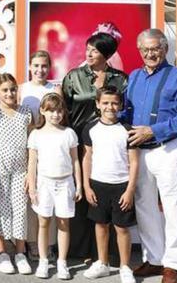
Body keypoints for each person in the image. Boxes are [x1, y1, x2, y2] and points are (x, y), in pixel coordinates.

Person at [122, 29, 177, 283]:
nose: (150, 53)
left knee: (173, 206)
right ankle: (155, 259)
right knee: (144, 206)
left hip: (167, 148)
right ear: (139, 51)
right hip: (139, 152)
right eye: (145, 49)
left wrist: (153, 130)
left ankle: (173, 265)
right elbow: (126, 112)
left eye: (155, 48)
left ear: (165, 49)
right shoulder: (133, 77)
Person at [61, 31, 127, 261]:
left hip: (110, 145)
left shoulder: (120, 79)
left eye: (95, 50)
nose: (89, 53)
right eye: (88, 48)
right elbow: (65, 110)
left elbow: (126, 111)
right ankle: (80, 250)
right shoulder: (73, 76)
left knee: (107, 196)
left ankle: (108, 254)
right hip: (79, 144)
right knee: (82, 195)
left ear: (106, 54)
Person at [81, 87, 139, 283]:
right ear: (97, 104)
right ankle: (102, 263)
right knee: (101, 225)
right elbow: (87, 158)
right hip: (98, 185)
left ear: (121, 105)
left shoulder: (128, 130)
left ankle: (124, 267)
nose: (110, 107)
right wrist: (87, 186)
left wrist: (130, 190)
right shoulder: (90, 128)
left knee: (122, 228)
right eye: (105, 103)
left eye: (114, 103)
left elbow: (135, 162)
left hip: (121, 186)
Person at [27, 93, 80, 280]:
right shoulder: (36, 134)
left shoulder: (69, 133)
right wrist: (32, 188)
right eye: (51, 111)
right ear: (43, 111)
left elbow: (75, 161)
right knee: (43, 222)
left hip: (65, 182)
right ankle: (43, 261)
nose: (55, 115)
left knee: (64, 223)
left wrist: (79, 185)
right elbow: (32, 163)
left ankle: (62, 262)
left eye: (59, 111)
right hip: (44, 183)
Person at [0, 74, 36, 275]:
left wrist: (30, 173)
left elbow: (31, 146)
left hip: (21, 169)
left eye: (13, 89)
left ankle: (19, 252)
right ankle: (2, 253)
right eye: (5, 90)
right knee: (0, 208)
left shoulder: (26, 113)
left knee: (20, 209)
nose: (9, 93)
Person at [19, 50, 60, 257]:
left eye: (44, 66)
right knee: (30, 196)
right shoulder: (22, 90)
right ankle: (31, 241)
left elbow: (60, 119)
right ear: (29, 67)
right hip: (26, 147)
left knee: (48, 196)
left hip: (49, 148)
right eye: (36, 65)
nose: (40, 70)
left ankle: (49, 242)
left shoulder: (55, 89)